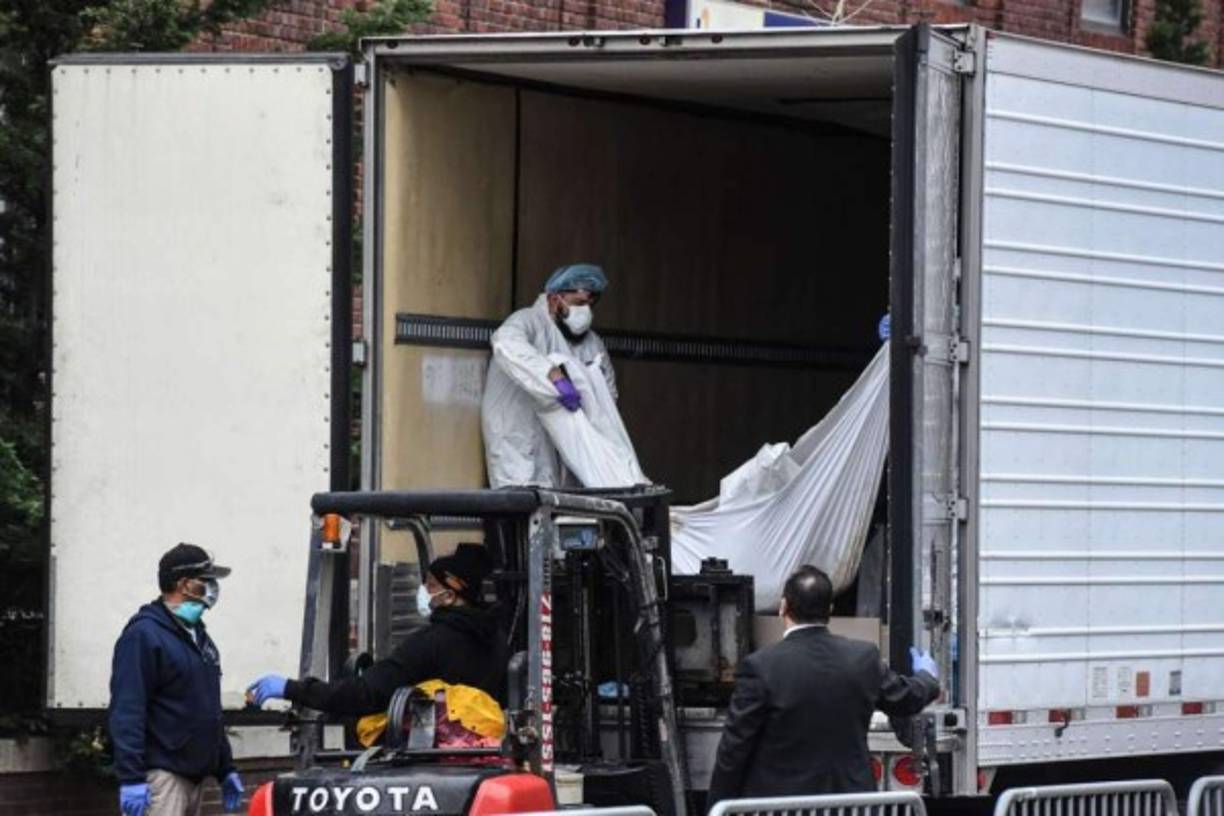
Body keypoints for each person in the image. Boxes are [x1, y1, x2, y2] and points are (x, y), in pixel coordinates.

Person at [707, 565, 940, 804]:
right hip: (848, 806)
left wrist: (717, 805)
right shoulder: (863, 658)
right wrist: (927, 676)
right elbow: (907, 698)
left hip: (782, 808)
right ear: (829, 610)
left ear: (783, 607)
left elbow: (733, 751)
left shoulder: (760, 667)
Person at [247, 543, 507, 715]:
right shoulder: (497, 640)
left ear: (449, 596)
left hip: (433, 762)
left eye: (429, 584)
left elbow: (366, 693)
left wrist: (293, 689)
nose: (423, 591)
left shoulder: (430, 644)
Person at [108, 544, 243, 816]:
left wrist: (225, 767)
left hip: (193, 778)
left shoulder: (198, 637)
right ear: (184, 584)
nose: (212, 588)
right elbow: (127, 711)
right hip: (162, 779)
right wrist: (132, 778)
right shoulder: (144, 636)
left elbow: (208, 710)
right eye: (205, 581)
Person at [481, 263, 616, 488]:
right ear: (555, 299)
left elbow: (608, 395)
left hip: (561, 449)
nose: (586, 311)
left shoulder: (592, 344)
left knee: (558, 511)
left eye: (591, 304)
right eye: (579, 303)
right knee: (518, 509)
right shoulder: (527, 321)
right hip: (518, 439)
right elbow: (506, 343)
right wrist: (553, 376)